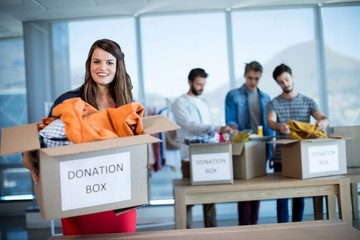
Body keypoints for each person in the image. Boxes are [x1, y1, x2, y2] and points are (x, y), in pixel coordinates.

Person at [22, 39, 136, 236]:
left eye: (109, 62)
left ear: (118, 67)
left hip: (119, 198)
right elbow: (46, 137)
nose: (102, 68)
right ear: (89, 65)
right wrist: (29, 156)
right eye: (96, 61)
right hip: (78, 195)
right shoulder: (69, 101)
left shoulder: (127, 104)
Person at [266, 63, 329, 223]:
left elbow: (322, 117)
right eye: (281, 82)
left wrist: (323, 122)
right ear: (277, 83)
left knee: (299, 198)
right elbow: (270, 122)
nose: (285, 84)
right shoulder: (273, 103)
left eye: (287, 79)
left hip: (302, 156)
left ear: (292, 77)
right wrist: (279, 125)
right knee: (281, 199)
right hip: (281, 157)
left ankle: (298, 230)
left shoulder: (308, 101)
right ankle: (283, 232)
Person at [172, 68, 232, 229]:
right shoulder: (180, 102)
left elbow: (208, 131)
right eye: (198, 84)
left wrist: (219, 132)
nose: (201, 87)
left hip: (206, 157)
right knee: (187, 199)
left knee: (209, 199)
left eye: (203, 84)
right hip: (189, 158)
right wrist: (219, 127)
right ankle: (185, 233)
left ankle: (212, 233)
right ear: (190, 82)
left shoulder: (204, 103)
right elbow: (190, 125)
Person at [225, 61, 274, 225]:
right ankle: (245, 228)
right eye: (250, 78)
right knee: (243, 189)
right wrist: (232, 128)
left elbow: (269, 126)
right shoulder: (233, 96)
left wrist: (271, 147)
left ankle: (254, 226)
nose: (253, 82)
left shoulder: (265, 97)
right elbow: (231, 119)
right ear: (245, 76)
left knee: (258, 187)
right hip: (243, 146)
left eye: (256, 78)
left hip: (261, 146)